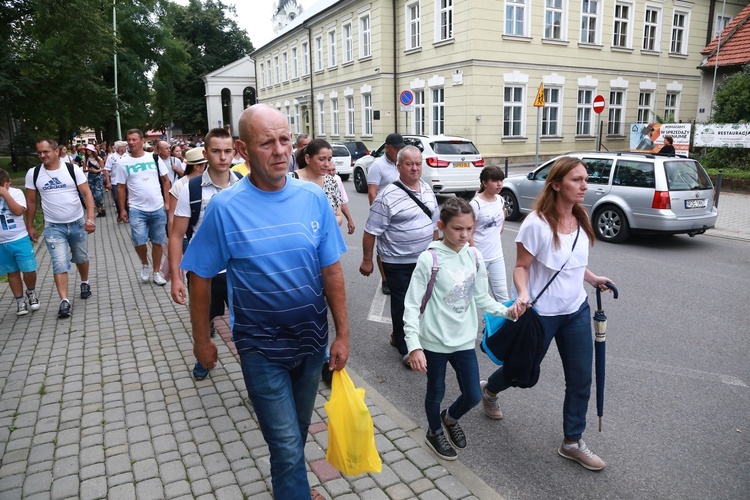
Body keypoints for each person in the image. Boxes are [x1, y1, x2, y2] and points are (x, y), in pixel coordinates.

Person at [180, 104, 349, 499]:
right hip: (260, 347)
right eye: (266, 142)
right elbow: (200, 276)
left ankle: (290, 488)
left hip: (310, 343)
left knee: (297, 433)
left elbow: (332, 273)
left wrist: (342, 334)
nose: (279, 151)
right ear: (242, 148)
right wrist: (201, 340)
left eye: (285, 140)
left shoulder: (313, 198)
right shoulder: (224, 208)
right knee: (287, 446)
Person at [480, 156, 614, 471]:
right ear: (556, 184)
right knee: (520, 372)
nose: (584, 185)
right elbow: (521, 267)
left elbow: (571, 262)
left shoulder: (581, 218)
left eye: (585, 179)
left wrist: (592, 279)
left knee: (581, 378)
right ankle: (490, 389)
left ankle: (572, 441)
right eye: (576, 180)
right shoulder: (536, 224)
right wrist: (523, 293)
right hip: (541, 315)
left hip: (576, 311)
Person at [404, 197, 521, 460]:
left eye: (469, 228)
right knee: (436, 391)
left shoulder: (475, 256)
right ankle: (434, 432)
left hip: (464, 341)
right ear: (442, 226)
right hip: (434, 341)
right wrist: (414, 346)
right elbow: (411, 305)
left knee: (472, 395)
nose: (464, 235)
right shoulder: (429, 259)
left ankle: (450, 417)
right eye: (458, 229)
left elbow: (481, 298)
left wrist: (507, 311)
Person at [170, 129, 240, 381]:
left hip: (239, 272)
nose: (222, 157)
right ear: (205, 153)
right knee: (202, 322)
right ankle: (203, 356)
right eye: (216, 151)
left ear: (234, 152)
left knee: (245, 327)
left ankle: (256, 375)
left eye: (227, 151)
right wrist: (177, 277)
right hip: (204, 274)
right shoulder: (191, 188)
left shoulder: (244, 184)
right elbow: (177, 235)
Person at [360, 145, 438, 366]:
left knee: (423, 301)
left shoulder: (426, 189)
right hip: (397, 261)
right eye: (409, 164)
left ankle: (400, 335)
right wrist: (367, 260)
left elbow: (434, 224)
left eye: (418, 164)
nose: (415, 168)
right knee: (403, 303)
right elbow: (371, 230)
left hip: (424, 259)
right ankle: (406, 348)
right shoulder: (386, 195)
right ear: (398, 166)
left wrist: (436, 251)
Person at [25, 139, 96, 319]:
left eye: (46, 151)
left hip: (77, 223)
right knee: (59, 263)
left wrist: (90, 218)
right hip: (53, 227)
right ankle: (64, 301)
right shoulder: (33, 174)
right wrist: (30, 225)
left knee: (81, 257)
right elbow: (31, 202)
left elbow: (87, 194)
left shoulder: (72, 169)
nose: (42, 155)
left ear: (56, 151)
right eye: (39, 152)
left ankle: (84, 281)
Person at [114, 129, 172, 286]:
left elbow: (166, 181)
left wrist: (167, 202)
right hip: (137, 209)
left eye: (134, 139)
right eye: (129, 140)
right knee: (139, 241)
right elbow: (120, 187)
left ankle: (156, 272)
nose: (131, 143)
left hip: (157, 206)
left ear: (141, 141)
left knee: (158, 241)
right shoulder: (122, 162)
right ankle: (145, 264)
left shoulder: (153, 158)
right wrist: (122, 210)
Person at [367, 132, 406, 295]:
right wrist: (379, 215)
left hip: (403, 213)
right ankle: (385, 279)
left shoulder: (402, 163)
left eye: (401, 148)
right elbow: (372, 192)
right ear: (387, 148)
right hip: (385, 213)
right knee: (383, 248)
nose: (399, 151)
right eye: (396, 149)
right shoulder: (377, 165)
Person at [0, 168, 39, 316]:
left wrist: (5, 194)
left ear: (8, 182)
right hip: (2, 242)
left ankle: (31, 292)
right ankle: (20, 300)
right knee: (12, 272)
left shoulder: (16, 193)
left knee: (29, 269)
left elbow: (17, 211)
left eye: (4, 186)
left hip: (19, 238)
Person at [470, 166, 509, 301]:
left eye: (501, 180)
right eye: (495, 181)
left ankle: (504, 322)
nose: (499, 184)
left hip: (497, 255)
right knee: (477, 297)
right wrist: (475, 256)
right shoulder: (475, 204)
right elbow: (469, 232)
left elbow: (500, 225)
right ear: (484, 183)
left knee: (503, 297)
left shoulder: (500, 199)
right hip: (478, 257)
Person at [292, 139, 343, 226]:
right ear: (308, 158)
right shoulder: (292, 180)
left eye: (329, 159)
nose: (327, 164)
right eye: (321, 159)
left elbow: (339, 215)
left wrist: (326, 224)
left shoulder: (331, 182)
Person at [325, 161, 355, 235]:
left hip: (334, 222)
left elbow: (342, 202)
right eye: (328, 170)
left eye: (333, 170)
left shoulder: (337, 179)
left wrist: (350, 220)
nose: (331, 173)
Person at [83, 144, 106, 217]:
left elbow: (103, 168)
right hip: (90, 176)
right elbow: (84, 169)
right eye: (87, 150)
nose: (88, 151)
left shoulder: (98, 159)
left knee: (98, 193)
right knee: (93, 194)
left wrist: (96, 171)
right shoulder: (85, 159)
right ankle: (99, 209)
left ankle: (102, 207)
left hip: (98, 176)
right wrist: (88, 170)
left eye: (89, 150)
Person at [104, 141, 127, 213]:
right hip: (115, 182)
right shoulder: (111, 157)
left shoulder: (128, 156)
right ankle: (120, 212)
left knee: (127, 198)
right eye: (124, 146)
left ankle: (127, 212)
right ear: (120, 148)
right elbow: (107, 170)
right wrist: (108, 182)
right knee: (117, 198)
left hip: (127, 181)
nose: (126, 148)